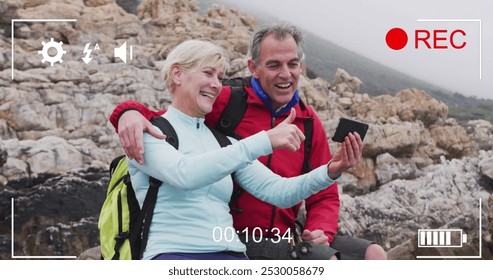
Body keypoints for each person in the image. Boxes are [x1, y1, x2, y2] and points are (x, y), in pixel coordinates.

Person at [111, 23, 386, 260]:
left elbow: (280, 191)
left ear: (301, 67)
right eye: (274, 65)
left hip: (241, 248)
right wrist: (128, 113)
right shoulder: (224, 103)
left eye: (219, 76)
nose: (216, 84)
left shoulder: (305, 120)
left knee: (372, 255)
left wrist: (332, 170)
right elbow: (179, 148)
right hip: (213, 246)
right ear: (253, 68)